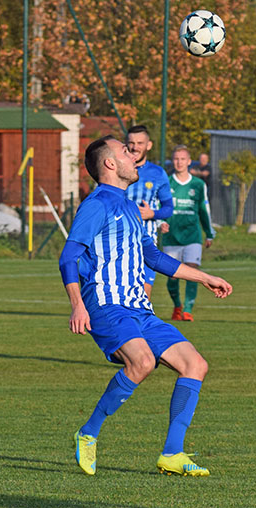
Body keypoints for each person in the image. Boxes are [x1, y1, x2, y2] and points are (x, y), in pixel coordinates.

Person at [59, 135, 232, 477]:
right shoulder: (98, 204)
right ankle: (88, 432)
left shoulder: (129, 205)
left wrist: (203, 277)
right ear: (110, 164)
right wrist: (77, 305)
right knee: (142, 362)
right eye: (125, 152)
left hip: (140, 308)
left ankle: (172, 453)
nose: (133, 156)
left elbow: (152, 256)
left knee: (195, 365)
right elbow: (69, 256)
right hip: (107, 305)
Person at [161, 145, 216, 322]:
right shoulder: (166, 183)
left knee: (192, 270)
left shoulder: (198, 184)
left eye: (182, 159)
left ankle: (188, 309)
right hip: (171, 236)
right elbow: (159, 208)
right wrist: (160, 223)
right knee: (172, 275)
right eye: (176, 159)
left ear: (189, 161)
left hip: (192, 236)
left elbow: (203, 209)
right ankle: (177, 305)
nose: (179, 162)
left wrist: (209, 233)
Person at [124, 125, 173, 299]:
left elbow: (168, 208)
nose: (134, 147)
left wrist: (152, 214)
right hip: (119, 239)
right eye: (131, 143)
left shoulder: (157, 173)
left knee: (144, 295)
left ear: (149, 145)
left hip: (146, 241)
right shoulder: (117, 169)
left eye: (139, 143)